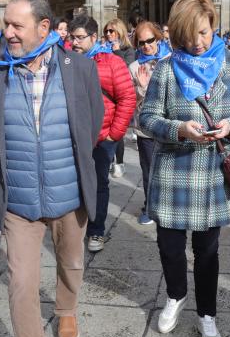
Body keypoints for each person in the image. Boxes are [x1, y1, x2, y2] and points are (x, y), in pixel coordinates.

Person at [0, 0, 103, 337]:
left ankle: (66, 310)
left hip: (68, 190)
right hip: (18, 198)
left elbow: (93, 119)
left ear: (44, 27)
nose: (7, 33)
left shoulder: (79, 68)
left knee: (71, 260)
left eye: (17, 25)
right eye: (6, 24)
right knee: (21, 283)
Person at [140, 0, 230, 337]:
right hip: (174, 171)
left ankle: (207, 312)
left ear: (214, 27)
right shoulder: (165, 67)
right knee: (169, 246)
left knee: (207, 251)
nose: (197, 42)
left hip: (212, 175)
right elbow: (146, 117)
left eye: (205, 33)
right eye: (190, 34)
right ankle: (175, 295)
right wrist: (177, 129)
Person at [68, 13, 136, 253]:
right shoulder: (67, 61)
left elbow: (127, 98)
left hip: (101, 136)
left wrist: (114, 134)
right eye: (71, 38)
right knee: (73, 183)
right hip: (74, 135)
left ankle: (96, 231)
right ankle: (74, 228)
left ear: (94, 37)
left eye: (79, 38)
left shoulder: (112, 62)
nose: (74, 43)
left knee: (98, 184)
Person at [128, 21, 171, 226]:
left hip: (169, 126)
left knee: (170, 169)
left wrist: (146, 89)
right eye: (141, 42)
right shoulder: (134, 67)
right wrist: (141, 90)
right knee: (149, 170)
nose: (146, 46)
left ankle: (169, 205)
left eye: (150, 40)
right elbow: (133, 101)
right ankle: (150, 206)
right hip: (145, 129)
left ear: (158, 38)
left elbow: (173, 96)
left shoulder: (171, 61)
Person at [104, 18, 133, 178]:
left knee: (118, 132)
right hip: (106, 96)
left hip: (120, 96)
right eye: (106, 31)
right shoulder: (103, 48)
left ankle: (119, 162)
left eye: (111, 31)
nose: (108, 34)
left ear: (119, 32)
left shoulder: (128, 49)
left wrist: (116, 52)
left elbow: (127, 69)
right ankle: (109, 159)